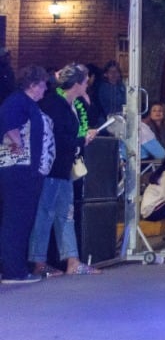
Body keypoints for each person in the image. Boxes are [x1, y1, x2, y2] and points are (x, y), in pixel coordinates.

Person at [29, 64, 100, 276]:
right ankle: (40, 262)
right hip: (52, 168)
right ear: (77, 84)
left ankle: (71, 260)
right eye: (85, 81)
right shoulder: (55, 105)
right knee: (47, 213)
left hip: (64, 166)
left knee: (64, 214)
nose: (87, 84)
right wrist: (81, 140)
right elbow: (58, 138)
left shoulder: (69, 103)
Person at [0, 66, 52, 284]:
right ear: (32, 85)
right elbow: (7, 120)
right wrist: (18, 143)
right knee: (17, 219)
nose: (45, 89)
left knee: (20, 219)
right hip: (18, 169)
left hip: (24, 169)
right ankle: (13, 271)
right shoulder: (18, 100)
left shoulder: (26, 102)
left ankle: (15, 268)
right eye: (43, 84)